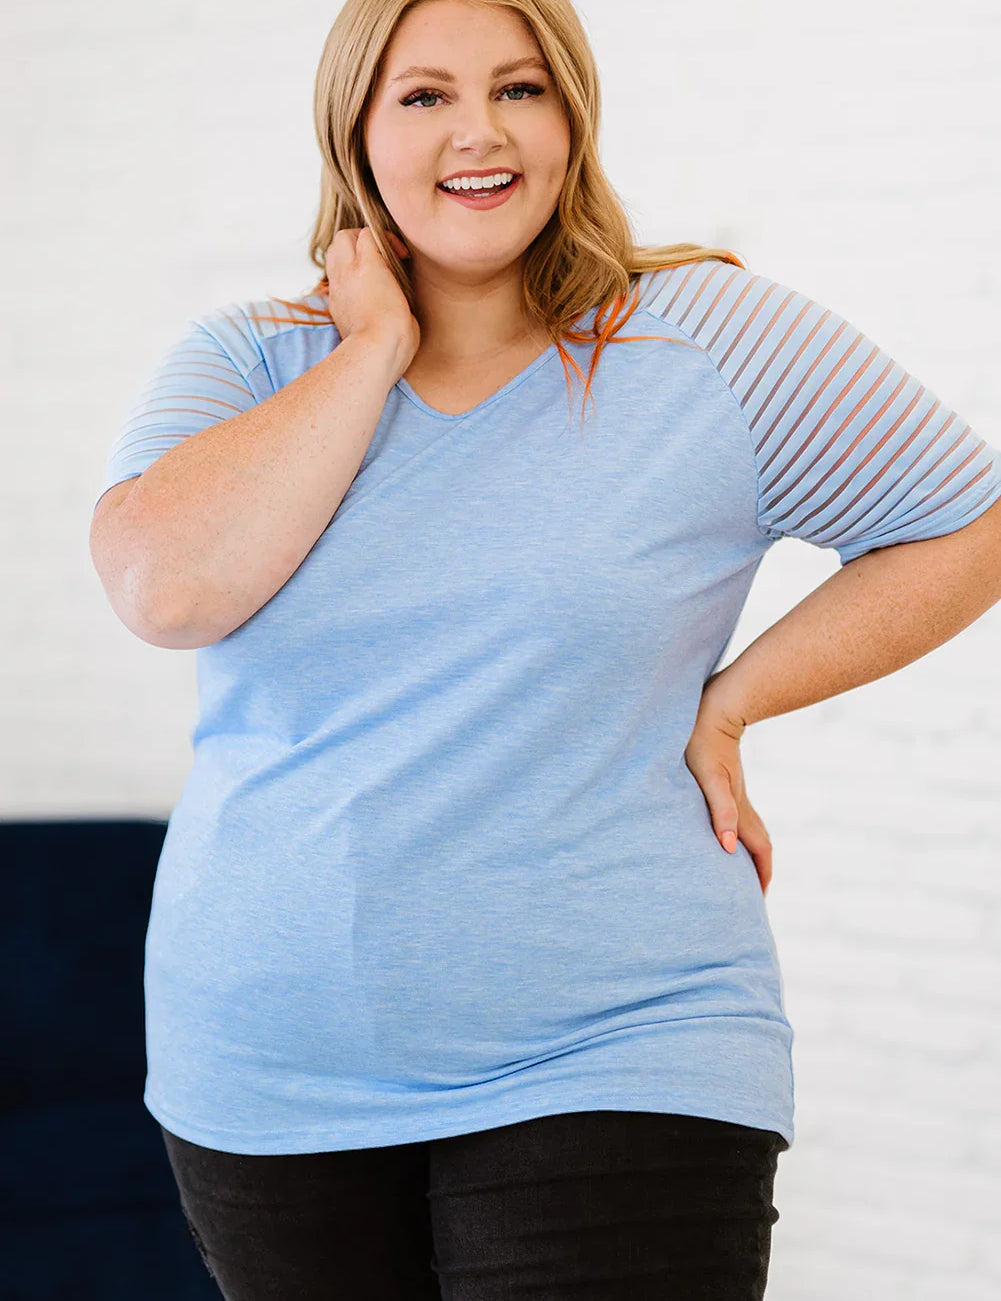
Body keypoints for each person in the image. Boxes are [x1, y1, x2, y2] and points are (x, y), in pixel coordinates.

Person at [88, 0, 1001, 1298]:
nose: (480, 132)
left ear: (572, 117)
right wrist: (374, 346)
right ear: (353, 130)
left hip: (620, 1040)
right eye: (425, 96)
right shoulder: (248, 361)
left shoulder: (704, 339)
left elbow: (965, 523)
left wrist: (732, 701)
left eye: (520, 89)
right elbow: (163, 590)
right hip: (267, 1069)